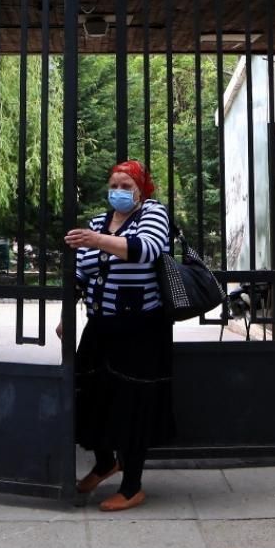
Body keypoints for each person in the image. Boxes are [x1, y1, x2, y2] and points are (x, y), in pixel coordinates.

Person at [56, 159, 175, 512]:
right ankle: (105, 461)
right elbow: (82, 272)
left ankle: (132, 485)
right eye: (115, 185)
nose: (119, 191)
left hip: (140, 326)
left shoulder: (153, 213)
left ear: (141, 189)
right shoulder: (98, 222)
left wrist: (97, 240)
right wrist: (67, 313)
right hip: (101, 324)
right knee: (90, 394)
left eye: (127, 186)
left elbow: (146, 250)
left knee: (132, 403)